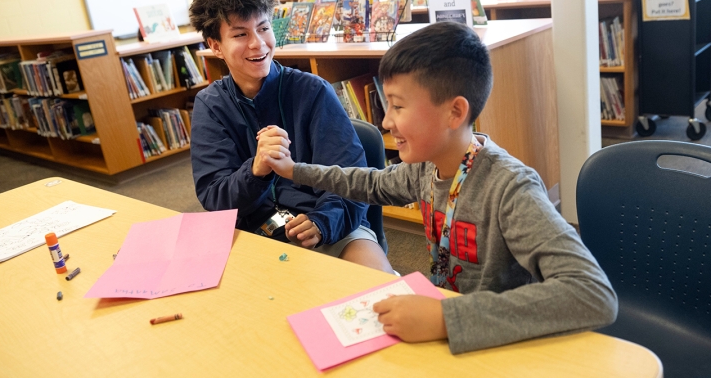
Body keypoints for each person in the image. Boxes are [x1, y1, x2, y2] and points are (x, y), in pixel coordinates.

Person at [259, 22, 618, 354]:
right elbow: (369, 182)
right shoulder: (426, 167)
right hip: (445, 322)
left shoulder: (510, 188)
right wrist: (294, 171)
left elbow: (592, 294)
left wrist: (445, 319)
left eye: (398, 106)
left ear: (455, 113)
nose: (386, 121)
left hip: (501, 341)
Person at [188, 0, 392, 273]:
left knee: (381, 292)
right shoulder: (211, 106)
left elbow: (353, 181)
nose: (258, 44)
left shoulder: (313, 91)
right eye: (240, 34)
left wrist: (322, 223)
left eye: (263, 28)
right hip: (255, 234)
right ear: (215, 46)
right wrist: (256, 171)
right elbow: (215, 199)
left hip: (331, 227)